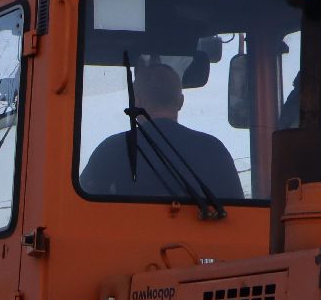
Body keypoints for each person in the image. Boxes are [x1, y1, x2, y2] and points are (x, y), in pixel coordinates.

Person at [80, 62, 244, 201]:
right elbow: (239, 214)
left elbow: (81, 211)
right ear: (180, 102)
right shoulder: (213, 150)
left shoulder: (110, 151)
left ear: (135, 102)